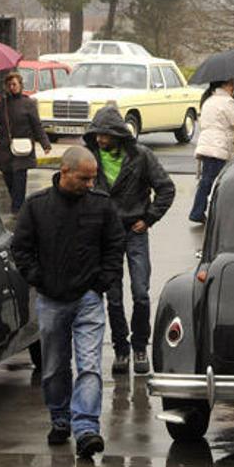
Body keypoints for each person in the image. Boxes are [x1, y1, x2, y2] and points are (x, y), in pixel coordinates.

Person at [11, 146, 124, 458]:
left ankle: (87, 428)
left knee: (89, 367)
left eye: (93, 179)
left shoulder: (101, 205)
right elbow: (20, 248)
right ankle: (60, 418)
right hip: (51, 299)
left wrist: (101, 283)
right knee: (55, 366)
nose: (90, 184)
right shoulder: (36, 206)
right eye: (84, 178)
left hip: (88, 298)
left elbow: (115, 245)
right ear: (64, 172)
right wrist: (39, 279)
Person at [82, 106, 175, 375]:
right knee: (112, 296)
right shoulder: (90, 158)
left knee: (141, 293)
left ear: (117, 133)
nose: (99, 139)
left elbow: (166, 188)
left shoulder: (141, 156)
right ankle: (121, 350)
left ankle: (139, 346)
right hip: (105, 235)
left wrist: (148, 219)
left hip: (135, 231)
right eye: (96, 134)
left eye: (104, 134)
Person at [0, 72, 52, 213]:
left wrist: (45, 144)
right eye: (9, 85)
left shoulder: (28, 103)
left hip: (23, 149)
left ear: (20, 85)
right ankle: (17, 204)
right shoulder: (2, 104)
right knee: (9, 179)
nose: (12, 87)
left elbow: (36, 125)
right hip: (6, 149)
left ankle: (17, 209)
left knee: (20, 179)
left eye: (14, 84)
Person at [189, 80, 234, 224]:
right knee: (218, 182)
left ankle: (198, 211)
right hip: (219, 147)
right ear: (224, 85)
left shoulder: (209, 100)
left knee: (207, 181)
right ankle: (205, 212)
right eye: (232, 84)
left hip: (208, 144)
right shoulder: (226, 102)